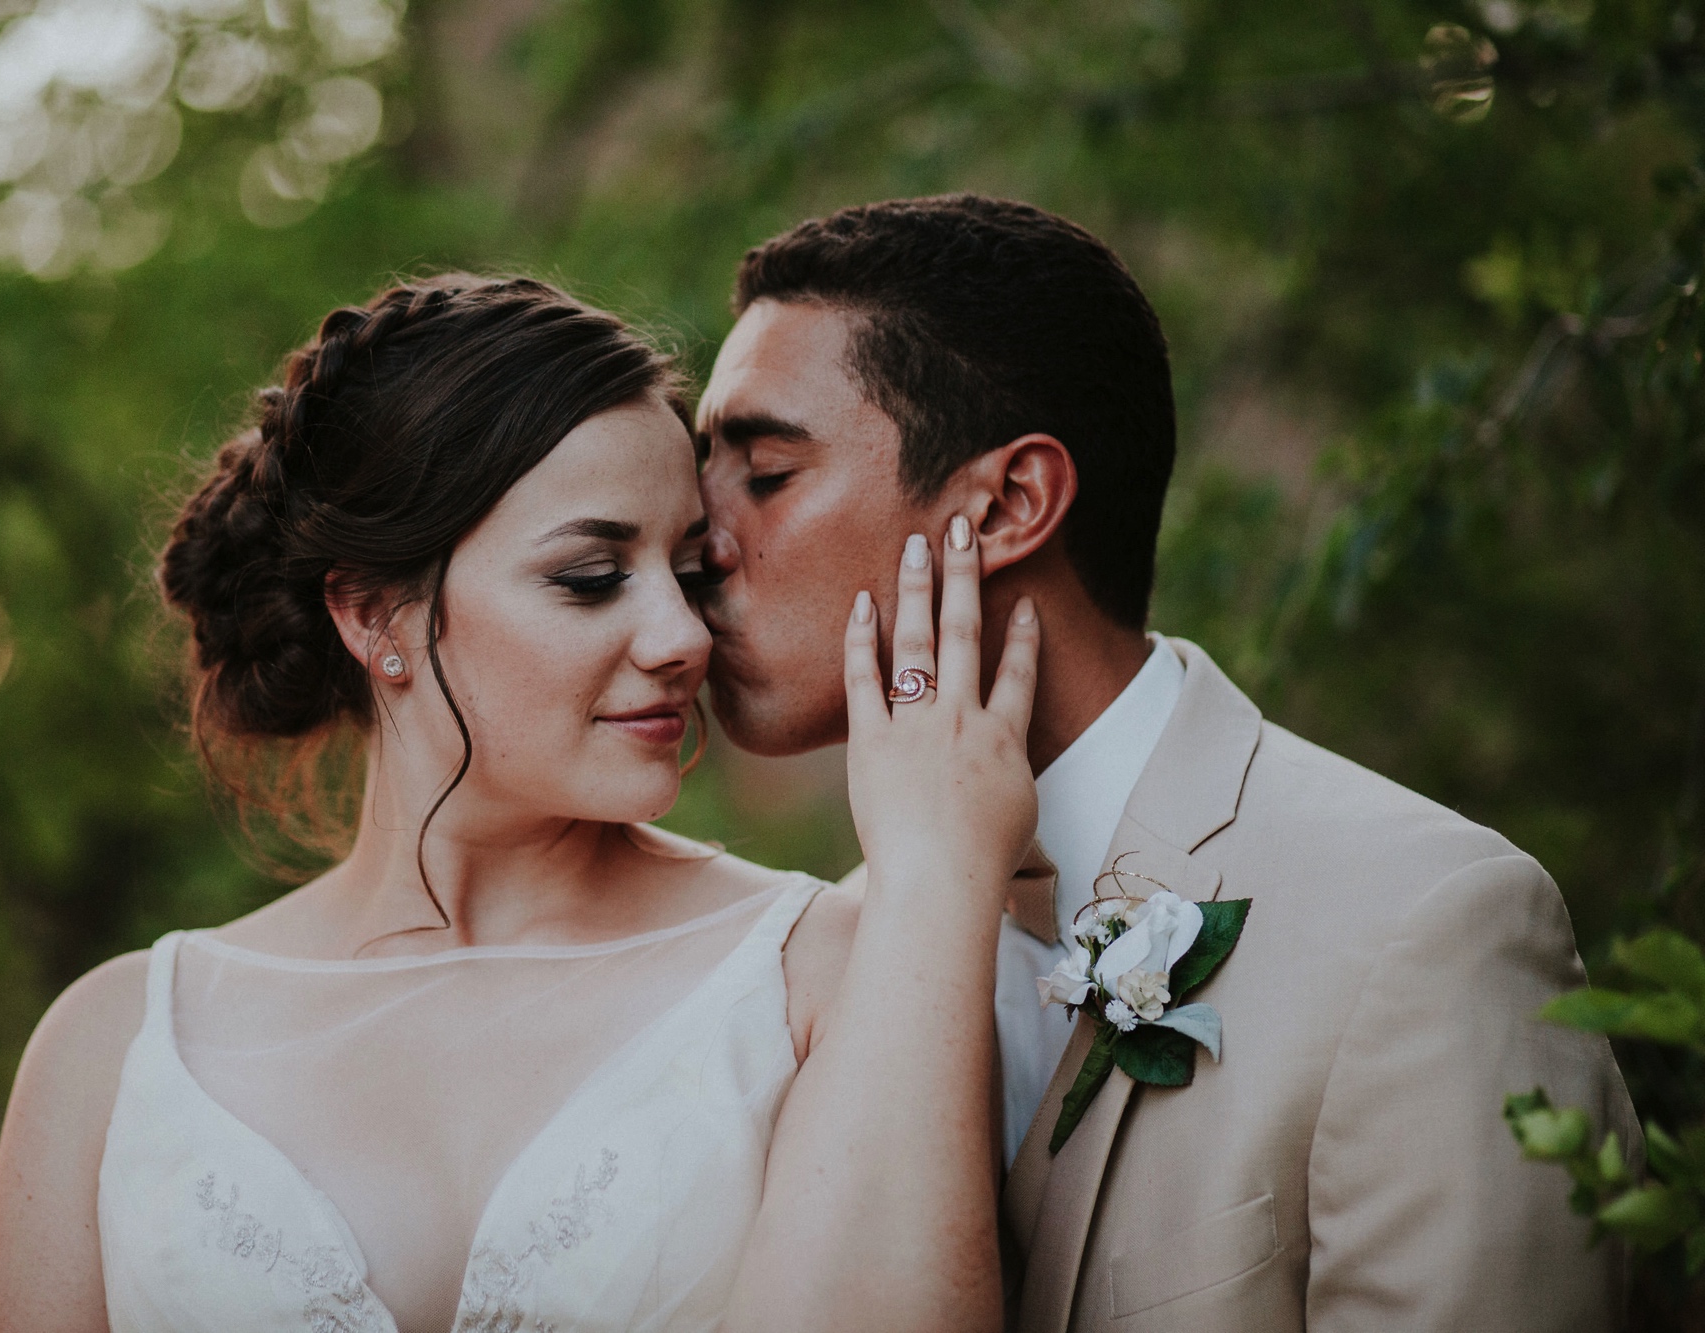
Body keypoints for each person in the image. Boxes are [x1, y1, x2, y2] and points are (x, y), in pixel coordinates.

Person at [0, 274, 1037, 1333]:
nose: (681, 638)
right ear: (373, 612)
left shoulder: (827, 968)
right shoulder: (118, 1046)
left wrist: (936, 869)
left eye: (689, 572)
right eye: (588, 577)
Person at [693, 195, 1643, 1332]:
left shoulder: (1425, 925)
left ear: (1005, 504)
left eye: (761, 474)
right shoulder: (804, 974)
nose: (693, 542)